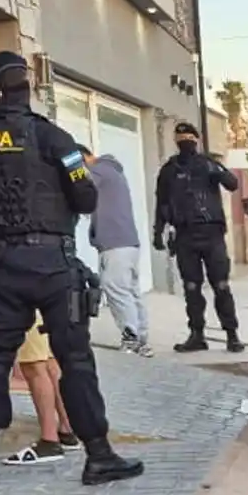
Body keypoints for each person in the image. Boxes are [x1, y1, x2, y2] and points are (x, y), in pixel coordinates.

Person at [0, 49, 142, 487]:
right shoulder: (56, 140)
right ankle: (99, 456)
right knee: (75, 360)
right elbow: (86, 199)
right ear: (26, 86)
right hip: (51, 265)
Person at [153, 122, 244, 353]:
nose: (185, 141)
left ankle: (232, 334)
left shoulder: (208, 164)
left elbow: (233, 184)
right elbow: (161, 202)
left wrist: (217, 169)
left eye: (188, 138)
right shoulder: (169, 170)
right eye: (181, 137)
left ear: (196, 140)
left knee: (221, 286)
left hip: (211, 234)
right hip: (185, 236)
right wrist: (158, 231)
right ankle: (197, 335)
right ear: (176, 141)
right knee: (191, 288)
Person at [80, 144, 152, 356]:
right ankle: (140, 336)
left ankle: (131, 338)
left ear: (83, 158)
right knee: (130, 290)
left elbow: (77, 184)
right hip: (128, 242)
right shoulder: (112, 172)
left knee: (116, 290)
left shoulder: (99, 171)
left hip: (115, 244)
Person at [1, 318, 83, 464]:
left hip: (28, 305)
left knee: (34, 365)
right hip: (47, 305)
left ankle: (50, 439)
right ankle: (66, 429)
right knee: (49, 363)